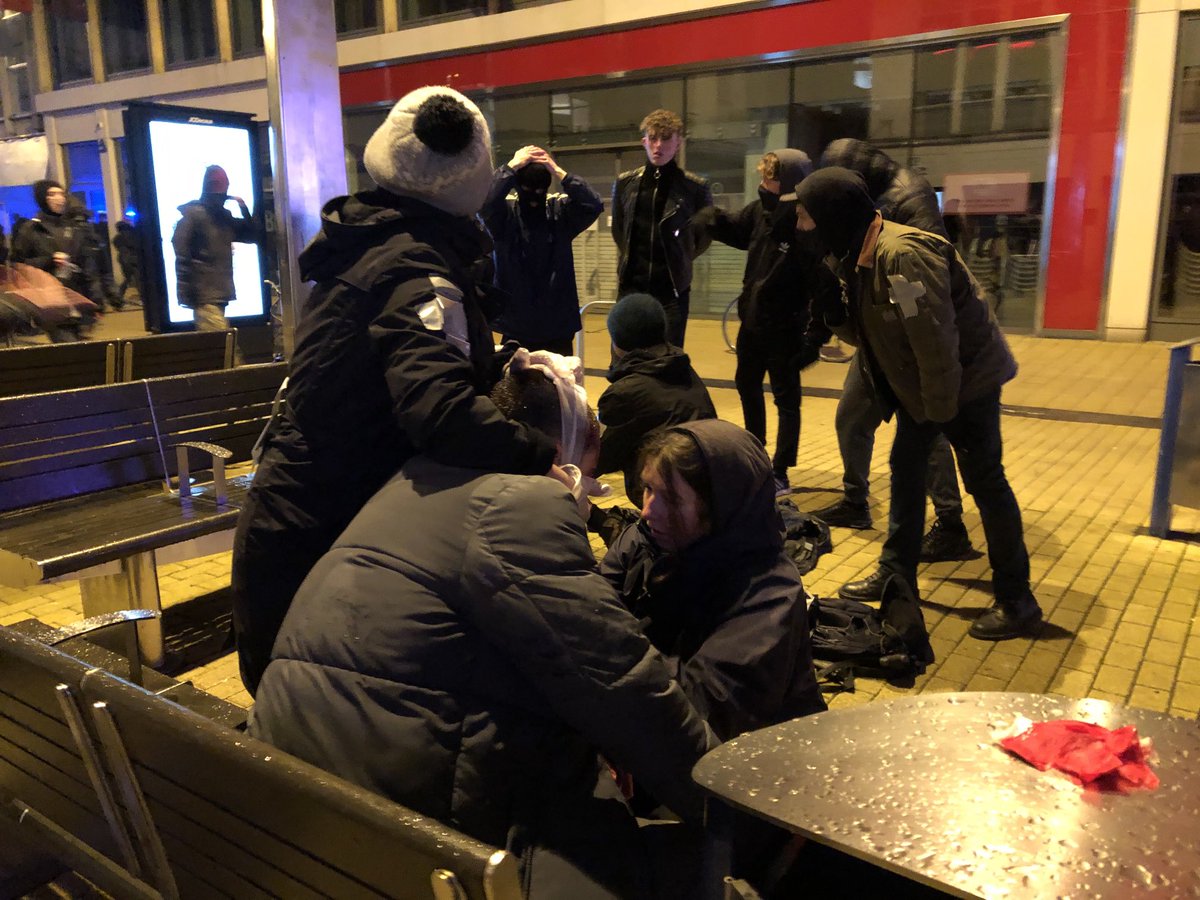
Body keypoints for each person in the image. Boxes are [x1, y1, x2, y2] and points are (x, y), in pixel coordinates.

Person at [249, 355, 714, 899]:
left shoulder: (416, 478)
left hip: (295, 817)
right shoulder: (522, 504)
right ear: (560, 455)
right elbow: (622, 682)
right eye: (590, 474)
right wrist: (736, 812)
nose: (588, 493)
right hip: (409, 850)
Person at [231, 86, 561, 696]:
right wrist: (543, 460)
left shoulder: (378, 242)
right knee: (310, 719)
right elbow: (442, 412)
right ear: (473, 176)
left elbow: (390, 369)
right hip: (317, 544)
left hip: (305, 521)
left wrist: (499, 360)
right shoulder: (415, 268)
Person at [795, 167, 1043, 641]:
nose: (801, 227)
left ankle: (1017, 600)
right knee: (906, 471)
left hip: (966, 383)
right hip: (930, 385)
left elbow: (933, 341)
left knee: (985, 482)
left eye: (806, 216)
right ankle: (896, 575)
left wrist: (939, 413)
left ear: (832, 214)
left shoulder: (902, 256)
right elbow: (874, 336)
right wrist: (833, 312)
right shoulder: (856, 253)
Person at [601, 419, 827, 742]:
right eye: (648, 488)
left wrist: (604, 645)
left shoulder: (771, 594)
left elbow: (697, 713)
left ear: (720, 508)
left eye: (672, 499)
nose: (647, 511)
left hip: (757, 757)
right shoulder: (645, 540)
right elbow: (593, 607)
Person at [809, 139, 978, 567]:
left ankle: (950, 524)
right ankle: (855, 501)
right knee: (851, 418)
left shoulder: (908, 195)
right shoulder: (862, 200)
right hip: (877, 333)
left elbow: (924, 280)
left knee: (925, 429)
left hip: (908, 336)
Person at [695, 148, 834, 496]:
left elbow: (823, 284)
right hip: (753, 323)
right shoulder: (760, 211)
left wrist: (815, 338)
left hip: (787, 327)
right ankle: (755, 453)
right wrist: (709, 218)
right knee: (747, 384)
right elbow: (739, 231)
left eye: (769, 178)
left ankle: (781, 470)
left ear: (788, 183)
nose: (762, 183)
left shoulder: (805, 222)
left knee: (786, 399)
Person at [593, 292, 716, 506]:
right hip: (705, 488)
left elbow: (600, 459)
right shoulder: (682, 368)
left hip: (665, 499)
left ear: (617, 341)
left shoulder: (625, 393)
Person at [482, 144, 603, 355]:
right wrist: (511, 167)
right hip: (517, 325)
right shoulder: (505, 216)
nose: (533, 199)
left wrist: (558, 172)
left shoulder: (559, 213)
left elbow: (593, 204)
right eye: (527, 190)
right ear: (517, 187)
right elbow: (485, 202)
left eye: (540, 190)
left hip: (556, 325)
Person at [612, 109, 712, 347]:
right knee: (624, 354)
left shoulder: (695, 187)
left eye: (666, 138)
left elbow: (702, 238)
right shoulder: (625, 183)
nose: (658, 145)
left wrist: (681, 256)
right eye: (653, 138)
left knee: (668, 356)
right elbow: (619, 230)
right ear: (644, 141)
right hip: (631, 286)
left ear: (678, 143)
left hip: (671, 290)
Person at [171, 164, 258, 332]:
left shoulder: (220, 217)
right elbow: (181, 252)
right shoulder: (196, 215)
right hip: (205, 295)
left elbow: (252, 236)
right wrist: (187, 293)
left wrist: (244, 209)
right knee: (220, 342)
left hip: (213, 293)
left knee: (217, 342)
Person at [9, 179, 99, 341]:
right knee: (69, 344)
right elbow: (18, 265)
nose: (59, 198)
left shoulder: (74, 227)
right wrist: (49, 260)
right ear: (42, 199)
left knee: (83, 347)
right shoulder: (31, 229)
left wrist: (96, 298)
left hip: (77, 296)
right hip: (51, 300)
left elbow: (87, 264)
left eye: (61, 194)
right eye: (52, 194)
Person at [113, 219, 140, 303]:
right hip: (133, 259)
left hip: (124, 260)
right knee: (138, 278)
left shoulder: (117, 238)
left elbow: (120, 249)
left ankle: (119, 295)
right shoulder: (133, 235)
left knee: (127, 279)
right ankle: (142, 296)